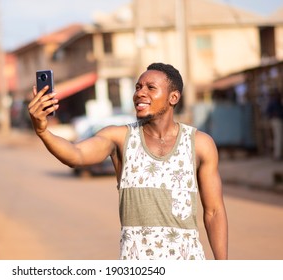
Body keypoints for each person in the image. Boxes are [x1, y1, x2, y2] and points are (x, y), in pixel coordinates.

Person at [28, 62, 228, 260]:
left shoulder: (200, 144)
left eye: (151, 88)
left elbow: (214, 212)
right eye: (138, 87)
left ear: (173, 97)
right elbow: (76, 155)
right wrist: (42, 131)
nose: (140, 93)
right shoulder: (120, 138)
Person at [266, 89, 283, 160]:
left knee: (279, 137)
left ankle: (278, 154)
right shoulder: (273, 102)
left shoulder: (278, 102)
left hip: (278, 120)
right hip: (276, 120)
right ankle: (277, 155)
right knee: (278, 137)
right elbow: (267, 112)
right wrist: (275, 114)